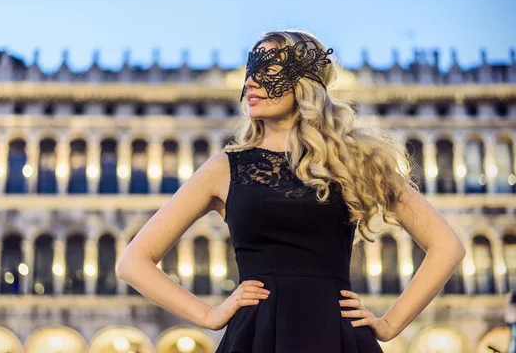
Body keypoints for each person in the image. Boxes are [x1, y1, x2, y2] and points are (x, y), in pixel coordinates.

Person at [116, 29, 466, 352]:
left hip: (336, 333)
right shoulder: (224, 168)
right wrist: (208, 315)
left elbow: (447, 245)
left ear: (304, 84)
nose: (251, 82)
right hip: (255, 335)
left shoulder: (354, 160)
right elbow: (133, 262)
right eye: (249, 71)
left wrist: (389, 324)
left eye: (267, 71)